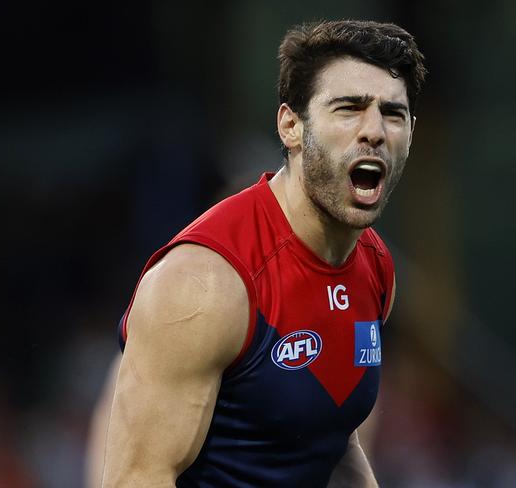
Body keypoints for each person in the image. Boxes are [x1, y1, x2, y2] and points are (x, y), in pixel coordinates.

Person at [101, 19, 426, 487]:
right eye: (349, 109)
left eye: (393, 114)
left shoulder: (375, 268)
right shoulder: (204, 284)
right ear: (291, 126)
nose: (374, 130)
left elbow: (326, 437)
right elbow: (135, 478)